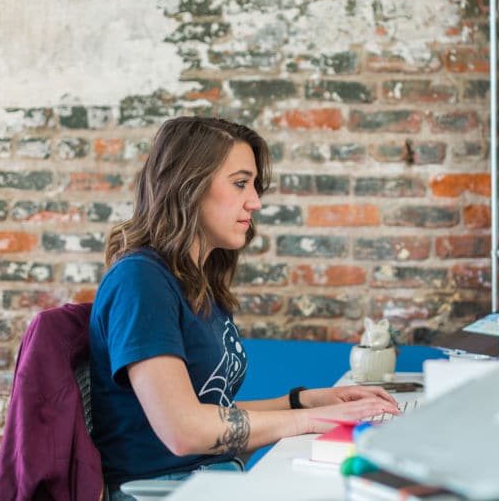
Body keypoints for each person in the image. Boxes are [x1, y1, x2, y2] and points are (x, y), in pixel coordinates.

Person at [89, 116, 399, 498]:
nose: (255, 201)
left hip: (211, 480)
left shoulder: (196, 282)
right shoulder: (140, 281)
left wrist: (301, 401)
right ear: (188, 186)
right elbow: (184, 431)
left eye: (254, 185)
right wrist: (310, 420)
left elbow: (210, 410)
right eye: (240, 184)